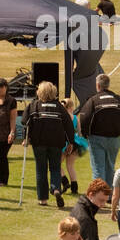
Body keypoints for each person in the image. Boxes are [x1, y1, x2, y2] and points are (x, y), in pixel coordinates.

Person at [24, 80, 76, 208]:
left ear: (39, 92)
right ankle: (56, 189)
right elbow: (69, 125)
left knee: (41, 169)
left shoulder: (34, 106)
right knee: (55, 168)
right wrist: (71, 142)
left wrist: (27, 138)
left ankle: (43, 199)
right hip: (56, 143)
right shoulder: (59, 106)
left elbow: (25, 122)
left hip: (39, 143)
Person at [78, 73, 120, 183]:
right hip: (114, 139)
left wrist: (85, 134)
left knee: (98, 169)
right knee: (110, 168)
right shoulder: (118, 99)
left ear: (97, 85)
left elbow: (84, 118)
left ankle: (100, 197)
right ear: (108, 85)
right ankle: (109, 195)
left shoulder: (93, 100)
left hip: (96, 138)